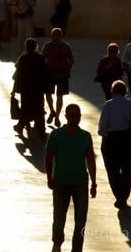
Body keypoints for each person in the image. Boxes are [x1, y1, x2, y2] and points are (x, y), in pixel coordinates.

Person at [45, 104, 96, 252]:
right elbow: (49, 157)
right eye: (72, 115)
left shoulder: (86, 136)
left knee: (81, 220)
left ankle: (77, 249)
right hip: (60, 182)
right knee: (59, 217)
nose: (76, 118)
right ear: (66, 116)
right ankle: (57, 242)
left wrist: (94, 183)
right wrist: (50, 177)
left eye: (78, 115)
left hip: (81, 183)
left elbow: (91, 160)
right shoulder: (56, 135)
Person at [98, 80, 131, 208]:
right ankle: (124, 195)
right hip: (127, 139)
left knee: (112, 170)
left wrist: (103, 134)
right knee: (127, 169)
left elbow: (102, 125)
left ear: (112, 91)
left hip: (111, 140)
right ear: (125, 91)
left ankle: (118, 195)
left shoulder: (108, 105)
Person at [12, 38, 52, 138]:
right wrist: (48, 89)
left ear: (26, 47)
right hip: (38, 89)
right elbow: (47, 74)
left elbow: (18, 75)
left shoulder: (23, 58)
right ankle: (41, 130)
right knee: (39, 109)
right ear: (36, 46)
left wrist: (14, 89)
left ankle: (20, 126)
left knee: (25, 108)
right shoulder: (41, 58)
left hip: (25, 89)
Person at [42, 28, 74, 128]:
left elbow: (43, 59)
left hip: (50, 74)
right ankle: (57, 117)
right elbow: (71, 59)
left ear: (52, 35)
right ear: (61, 36)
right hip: (63, 74)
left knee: (48, 94)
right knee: (59, 96)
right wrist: (68, 69)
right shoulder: (66, 46)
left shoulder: (48, 46)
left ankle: (52, 111)